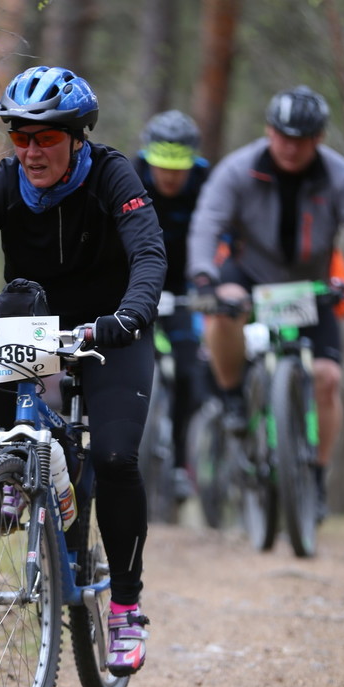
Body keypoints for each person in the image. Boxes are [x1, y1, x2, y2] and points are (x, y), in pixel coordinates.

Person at [0, 65, 167, 676]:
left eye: (45, 138)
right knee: (7, 314)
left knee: (117, 458)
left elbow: (149, 251)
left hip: (108, 329)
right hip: (36, 326)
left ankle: (124, 602)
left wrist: (129, 315)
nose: (31, 151)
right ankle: (19, 469)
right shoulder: (5, 185)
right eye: (20, 138)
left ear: (76, 138)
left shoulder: (112, 176)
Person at [187, 84, 344, 521]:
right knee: (226, 309)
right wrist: (205, 276)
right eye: (282, 135)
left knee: (328, 377)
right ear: (268, 131)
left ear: (319, 138)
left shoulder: (340, 175)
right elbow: (207, 223)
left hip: (310, 287)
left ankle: (314, 480)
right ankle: (233, 397)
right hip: (249, 275)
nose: (290, 146)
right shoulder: (238, 169)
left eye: (301, 138)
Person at [133, 110, 211, 500]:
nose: (169, 177)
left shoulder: (206, 184)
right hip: (135, 285)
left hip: (185, 289)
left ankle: (181, 462)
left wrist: (211, 282)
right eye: (162, 167)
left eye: (177, 169)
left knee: (187, 374)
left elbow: (221, 233)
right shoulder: (129, 176)